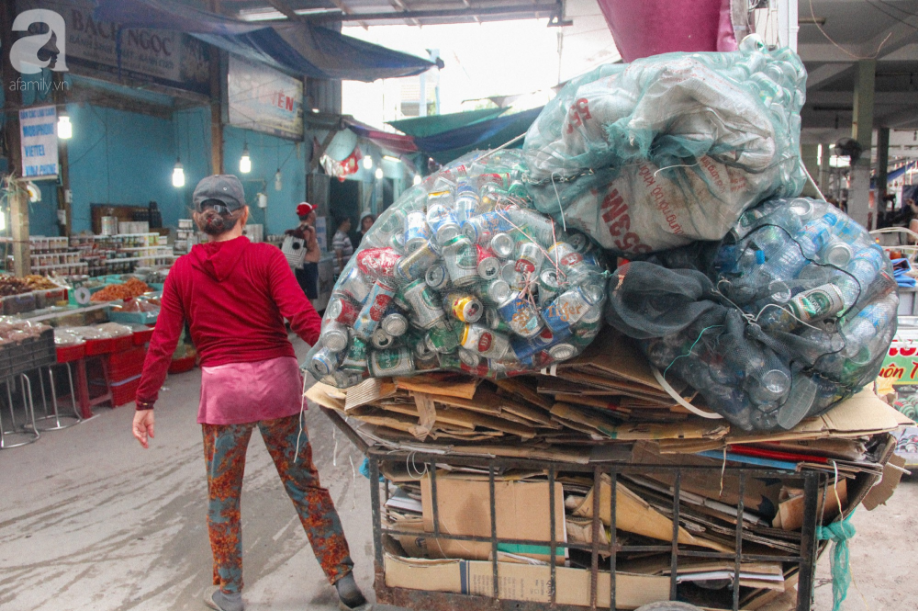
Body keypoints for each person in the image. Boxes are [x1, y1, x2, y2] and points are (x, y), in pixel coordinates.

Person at [131, 175, 366, 611]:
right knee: (305, 486)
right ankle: (343, 578)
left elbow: (163, 340)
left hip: (224, 397)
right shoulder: (267, 259)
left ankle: (230, 592)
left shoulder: (183, 270)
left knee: (223, 495)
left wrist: (145, 402)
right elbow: (302, 319)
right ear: (243, 213)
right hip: (277, 388)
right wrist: (344, 368)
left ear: (200, 218)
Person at [285, 202, 321, 299]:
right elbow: (310, 247)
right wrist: (313, 233)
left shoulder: (300, 228)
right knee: (309, 297)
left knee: (306, 296)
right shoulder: (307, 229)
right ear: (310, 215)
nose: (315, 212)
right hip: (308, 267)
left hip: (305, 266)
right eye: (313, 211)